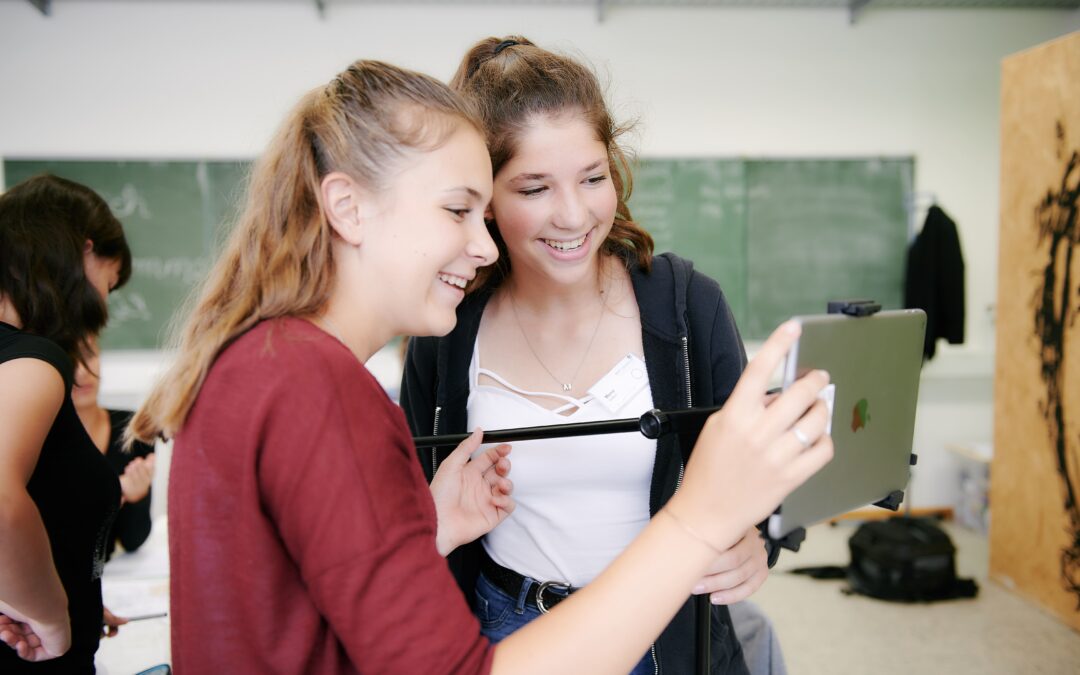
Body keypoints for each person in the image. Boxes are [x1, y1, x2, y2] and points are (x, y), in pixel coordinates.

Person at [124, 59, 831, 674]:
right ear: (347, 207)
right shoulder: (325, 391)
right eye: (461, 210)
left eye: (590, 177)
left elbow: (302, 595)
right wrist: (695, 521)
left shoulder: (257, 362)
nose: (485, 246)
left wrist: (421, 527)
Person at [400, 36, 770, 674]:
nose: (573, 215)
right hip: (504, 628)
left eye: (593, 178)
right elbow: (405, 501)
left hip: (662, 633)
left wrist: (758, 540)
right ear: (485, 198)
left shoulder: (688, 306)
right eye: (534, 189)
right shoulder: (447, 325)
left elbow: (760, 475)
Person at [0, 174, 132, 672]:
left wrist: (46, 592)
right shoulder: (34, 360)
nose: (103, 305)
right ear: (83, 251)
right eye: (108, 284)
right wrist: (54, 616)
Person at [72, 338, 156, 559]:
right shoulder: (36, 436)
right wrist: (115, 491)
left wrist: (137, 496)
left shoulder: (131, 428)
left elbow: (133, 540)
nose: (82, 371)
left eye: (89, 355)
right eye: (69, 359)